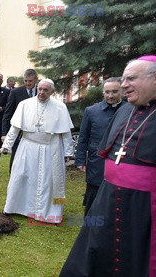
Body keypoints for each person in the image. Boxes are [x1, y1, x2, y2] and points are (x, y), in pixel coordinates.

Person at [61, 55, 156, 277]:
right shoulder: (124, 111)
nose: (124, 85)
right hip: (108, 199)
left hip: (145, 209)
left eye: (131, 79)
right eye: (123, 79)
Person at [0, 79, 73, 223]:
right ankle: (16, 207)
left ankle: (50, 212)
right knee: (21, 176)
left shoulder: (60, 107)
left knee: (50, 182)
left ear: (52, 92)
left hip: (51, 149)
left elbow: (66, 133)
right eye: (40, 89)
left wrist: (68, 152)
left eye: (46, 90)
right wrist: (6, 144)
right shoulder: (25, 104)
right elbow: (15, 128)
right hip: (28, 147)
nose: (42, 92)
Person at [74, 77, 125, 215]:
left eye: (115, 91)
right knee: (94, 197)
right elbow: (83, 138)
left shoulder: (130, 110)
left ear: (122, 91)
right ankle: (90, 227)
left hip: (122, 162)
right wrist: (80, 160)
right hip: (96, 162)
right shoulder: (91, 111)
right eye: (107, 92)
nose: (110, 95)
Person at [1, 69, 38, 173]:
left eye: (30, 81)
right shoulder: (16, 92)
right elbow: (7, 114)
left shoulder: (41, 91)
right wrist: (4, 133)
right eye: (25, 81)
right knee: (16, 159)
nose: (27, 83)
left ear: (36, 80)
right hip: (19, 132)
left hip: (36, 133)